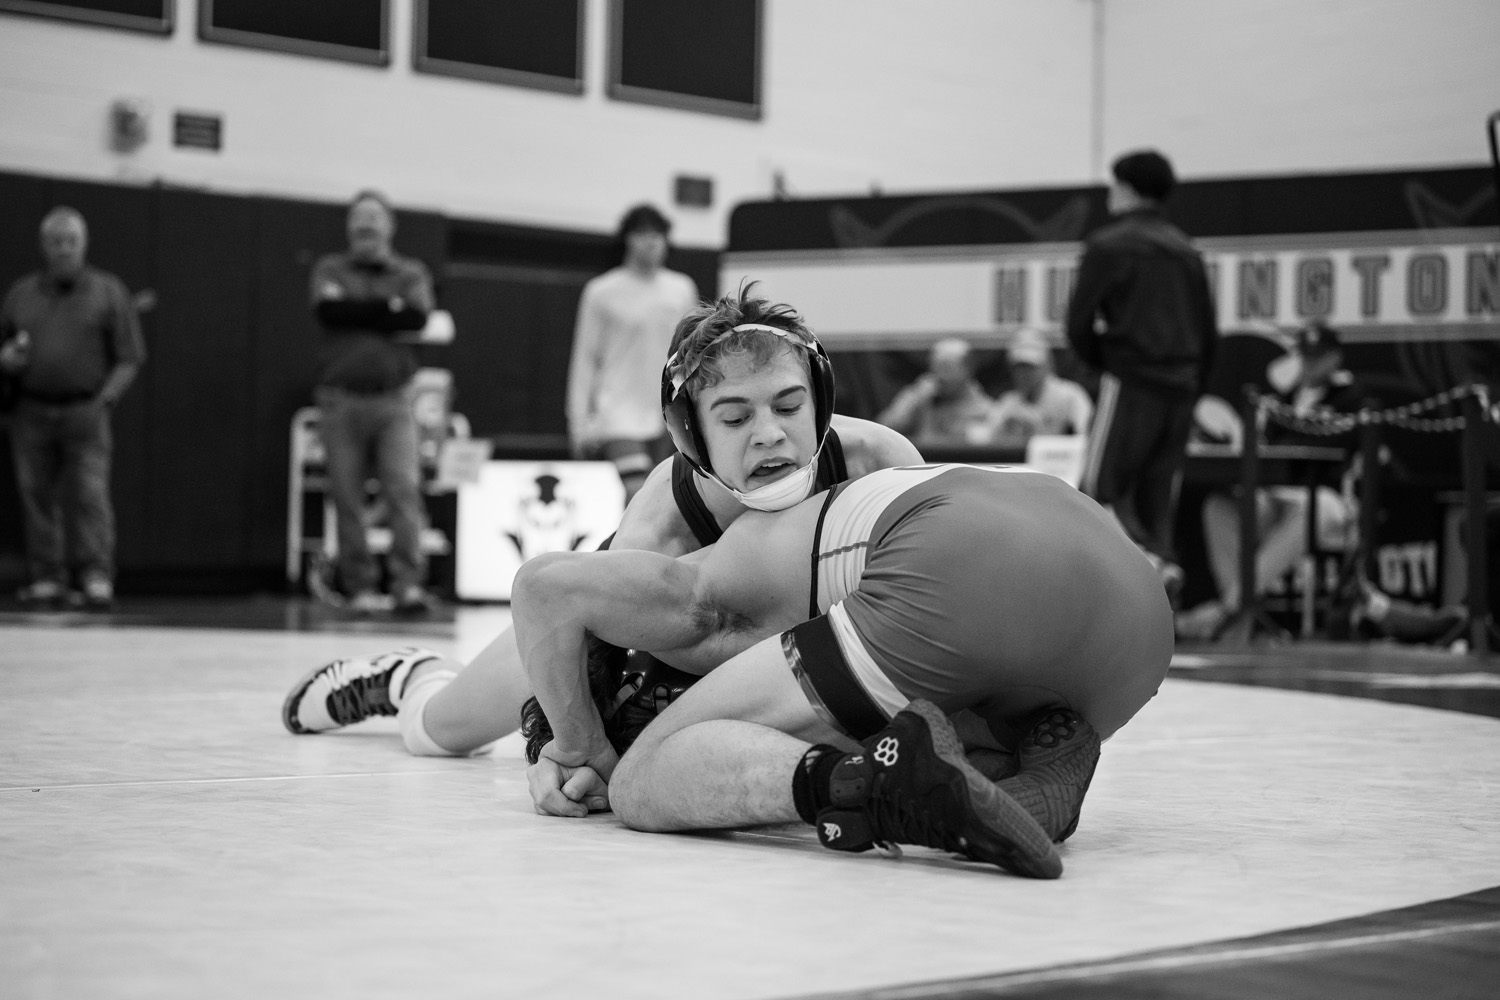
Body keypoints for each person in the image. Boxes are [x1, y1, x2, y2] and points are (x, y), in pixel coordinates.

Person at [282, 285, 923, 759]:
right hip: (650, 623)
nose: (769, 434)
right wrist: (557, 750)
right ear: (693, 435)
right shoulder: (663, 522)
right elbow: (586, 658)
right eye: (734, 418)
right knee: (442, 730)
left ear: (821, 402)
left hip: (776, 640)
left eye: (789, 406)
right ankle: (409, 679)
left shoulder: (878, 462)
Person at [513, 462, 1173, 879]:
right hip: (1136, 626)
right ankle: (1028, 763)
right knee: (930, 728)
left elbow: (543, 588)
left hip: (960, 569)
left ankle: (872, 787)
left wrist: (580, 744)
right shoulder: (838, 473)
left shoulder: (713, 571)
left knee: (641, 782)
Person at [1067, 149, 1219, 599]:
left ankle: (1148, 569)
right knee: (1157, 498)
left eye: (1114, 185)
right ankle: (1159, 586)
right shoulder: (1186, 250)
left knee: (1099, 490)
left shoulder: (1109, 245)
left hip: (1131, 383)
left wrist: (1108, 364)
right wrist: (1193, 386)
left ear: (1128, 189)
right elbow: (1209, 332)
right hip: (1182, 388)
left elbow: (1078, 324)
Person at [0, 207, 145, 608]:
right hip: (31, 411)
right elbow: (4, 345)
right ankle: (48, 577)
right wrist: (7, 360)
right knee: (36, 496)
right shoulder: (21, 294)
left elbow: (130, 357)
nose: (64, 250)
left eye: (71, 242)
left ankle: (96, 576)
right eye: (56, 242)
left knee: (90, 495)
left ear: (84, 244)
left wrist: (107, 399)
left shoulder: (107, 291)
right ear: (43, 246)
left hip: (85, 411)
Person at [310, 189, 438, 615]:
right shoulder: (329, 268)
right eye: (358, 218)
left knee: (404, 490)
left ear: (390, 226)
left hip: (394, 401)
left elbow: (416, 316)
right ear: (349, 226)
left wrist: (355, 308)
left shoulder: (411, 271)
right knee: (345, 496)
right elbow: (329, 313)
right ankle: (359, 586)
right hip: (340, 400)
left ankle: (407, 585)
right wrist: (386, 308)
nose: (366, 225)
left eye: (374, 218)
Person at [566, 204, 699, 503]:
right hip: (618, 416)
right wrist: (578, 421)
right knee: (637, 493)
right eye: (644, 234)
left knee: (664, 501)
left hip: (669, 412)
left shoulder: (681, 288)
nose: (652, 242)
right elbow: (585, 359)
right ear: (628, 239)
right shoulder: (601, 291)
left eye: (659, 235)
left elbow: (692, 353)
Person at [983, 328, 1094, 450]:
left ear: (1047, 365)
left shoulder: (1070, 396)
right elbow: (986, 440)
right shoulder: (1008, 403)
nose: (1024, 373)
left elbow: (1088, 436)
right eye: (1019, 366)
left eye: (1031, 366)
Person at [877, 337, 993, 448]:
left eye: (946, 367)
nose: (940, 375)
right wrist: (916, 401)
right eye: (935, 367)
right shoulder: (920, 393)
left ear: (967, 369)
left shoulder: (983, 408)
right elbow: (882, 430)